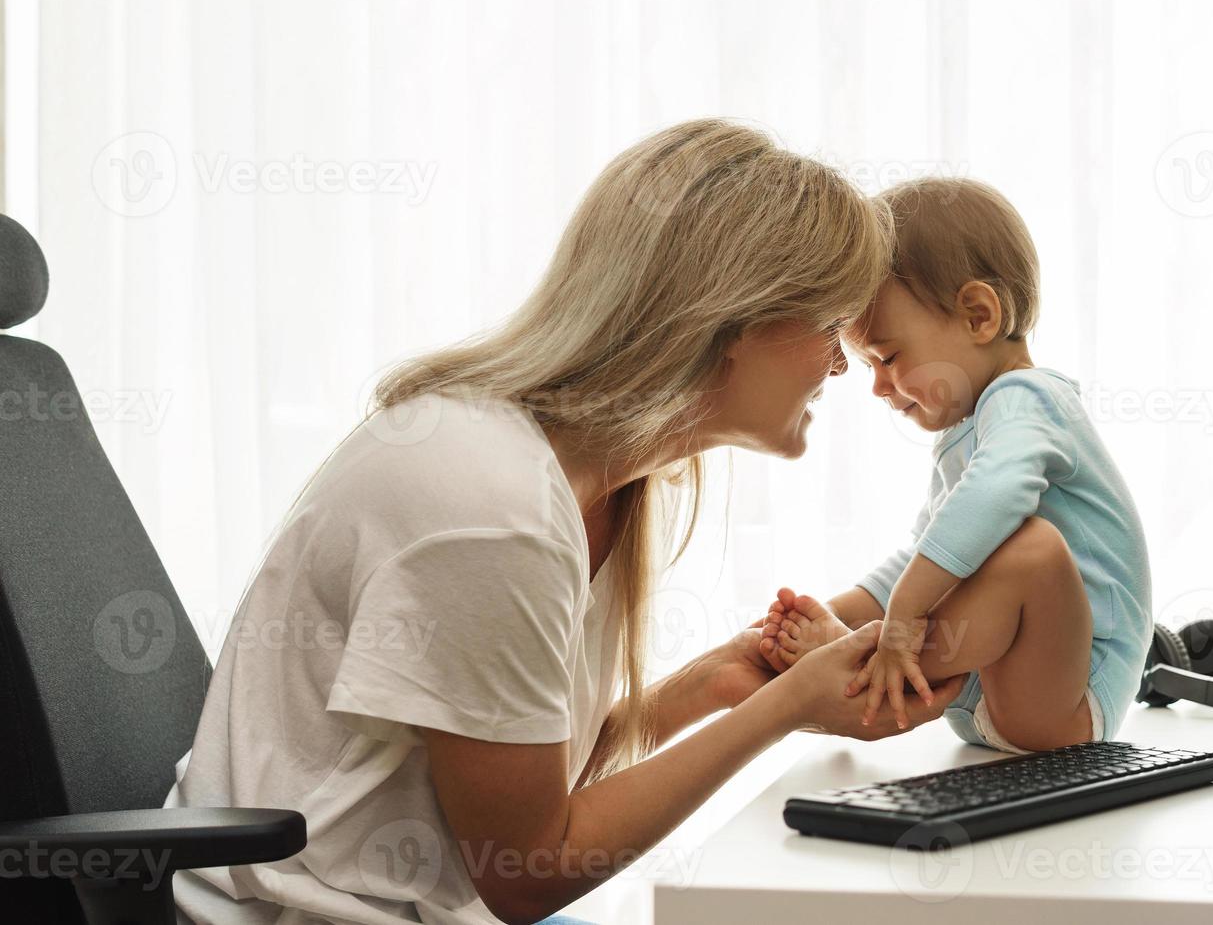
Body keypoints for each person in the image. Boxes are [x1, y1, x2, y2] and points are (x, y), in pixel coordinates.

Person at [165, 120, 972, 925]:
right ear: (734, 322)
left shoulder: (603, 477)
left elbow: (515, 787)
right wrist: (784, 707)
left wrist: (706, 690)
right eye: (831, 329)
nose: (841, 365)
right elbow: (525, 873)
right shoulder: (490, 511)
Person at [759, 176, 1152, 755]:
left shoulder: (1028, 399)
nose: (879, 387)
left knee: (1031, 547)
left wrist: (903, 616)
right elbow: (927, 551)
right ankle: (849, 642)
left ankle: (857, 655)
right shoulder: (967, 435)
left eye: (888, 358)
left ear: (977, 316)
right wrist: (841, 606)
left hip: (1068, 702)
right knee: (952, 555)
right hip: (997, 701)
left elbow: (987, 502)